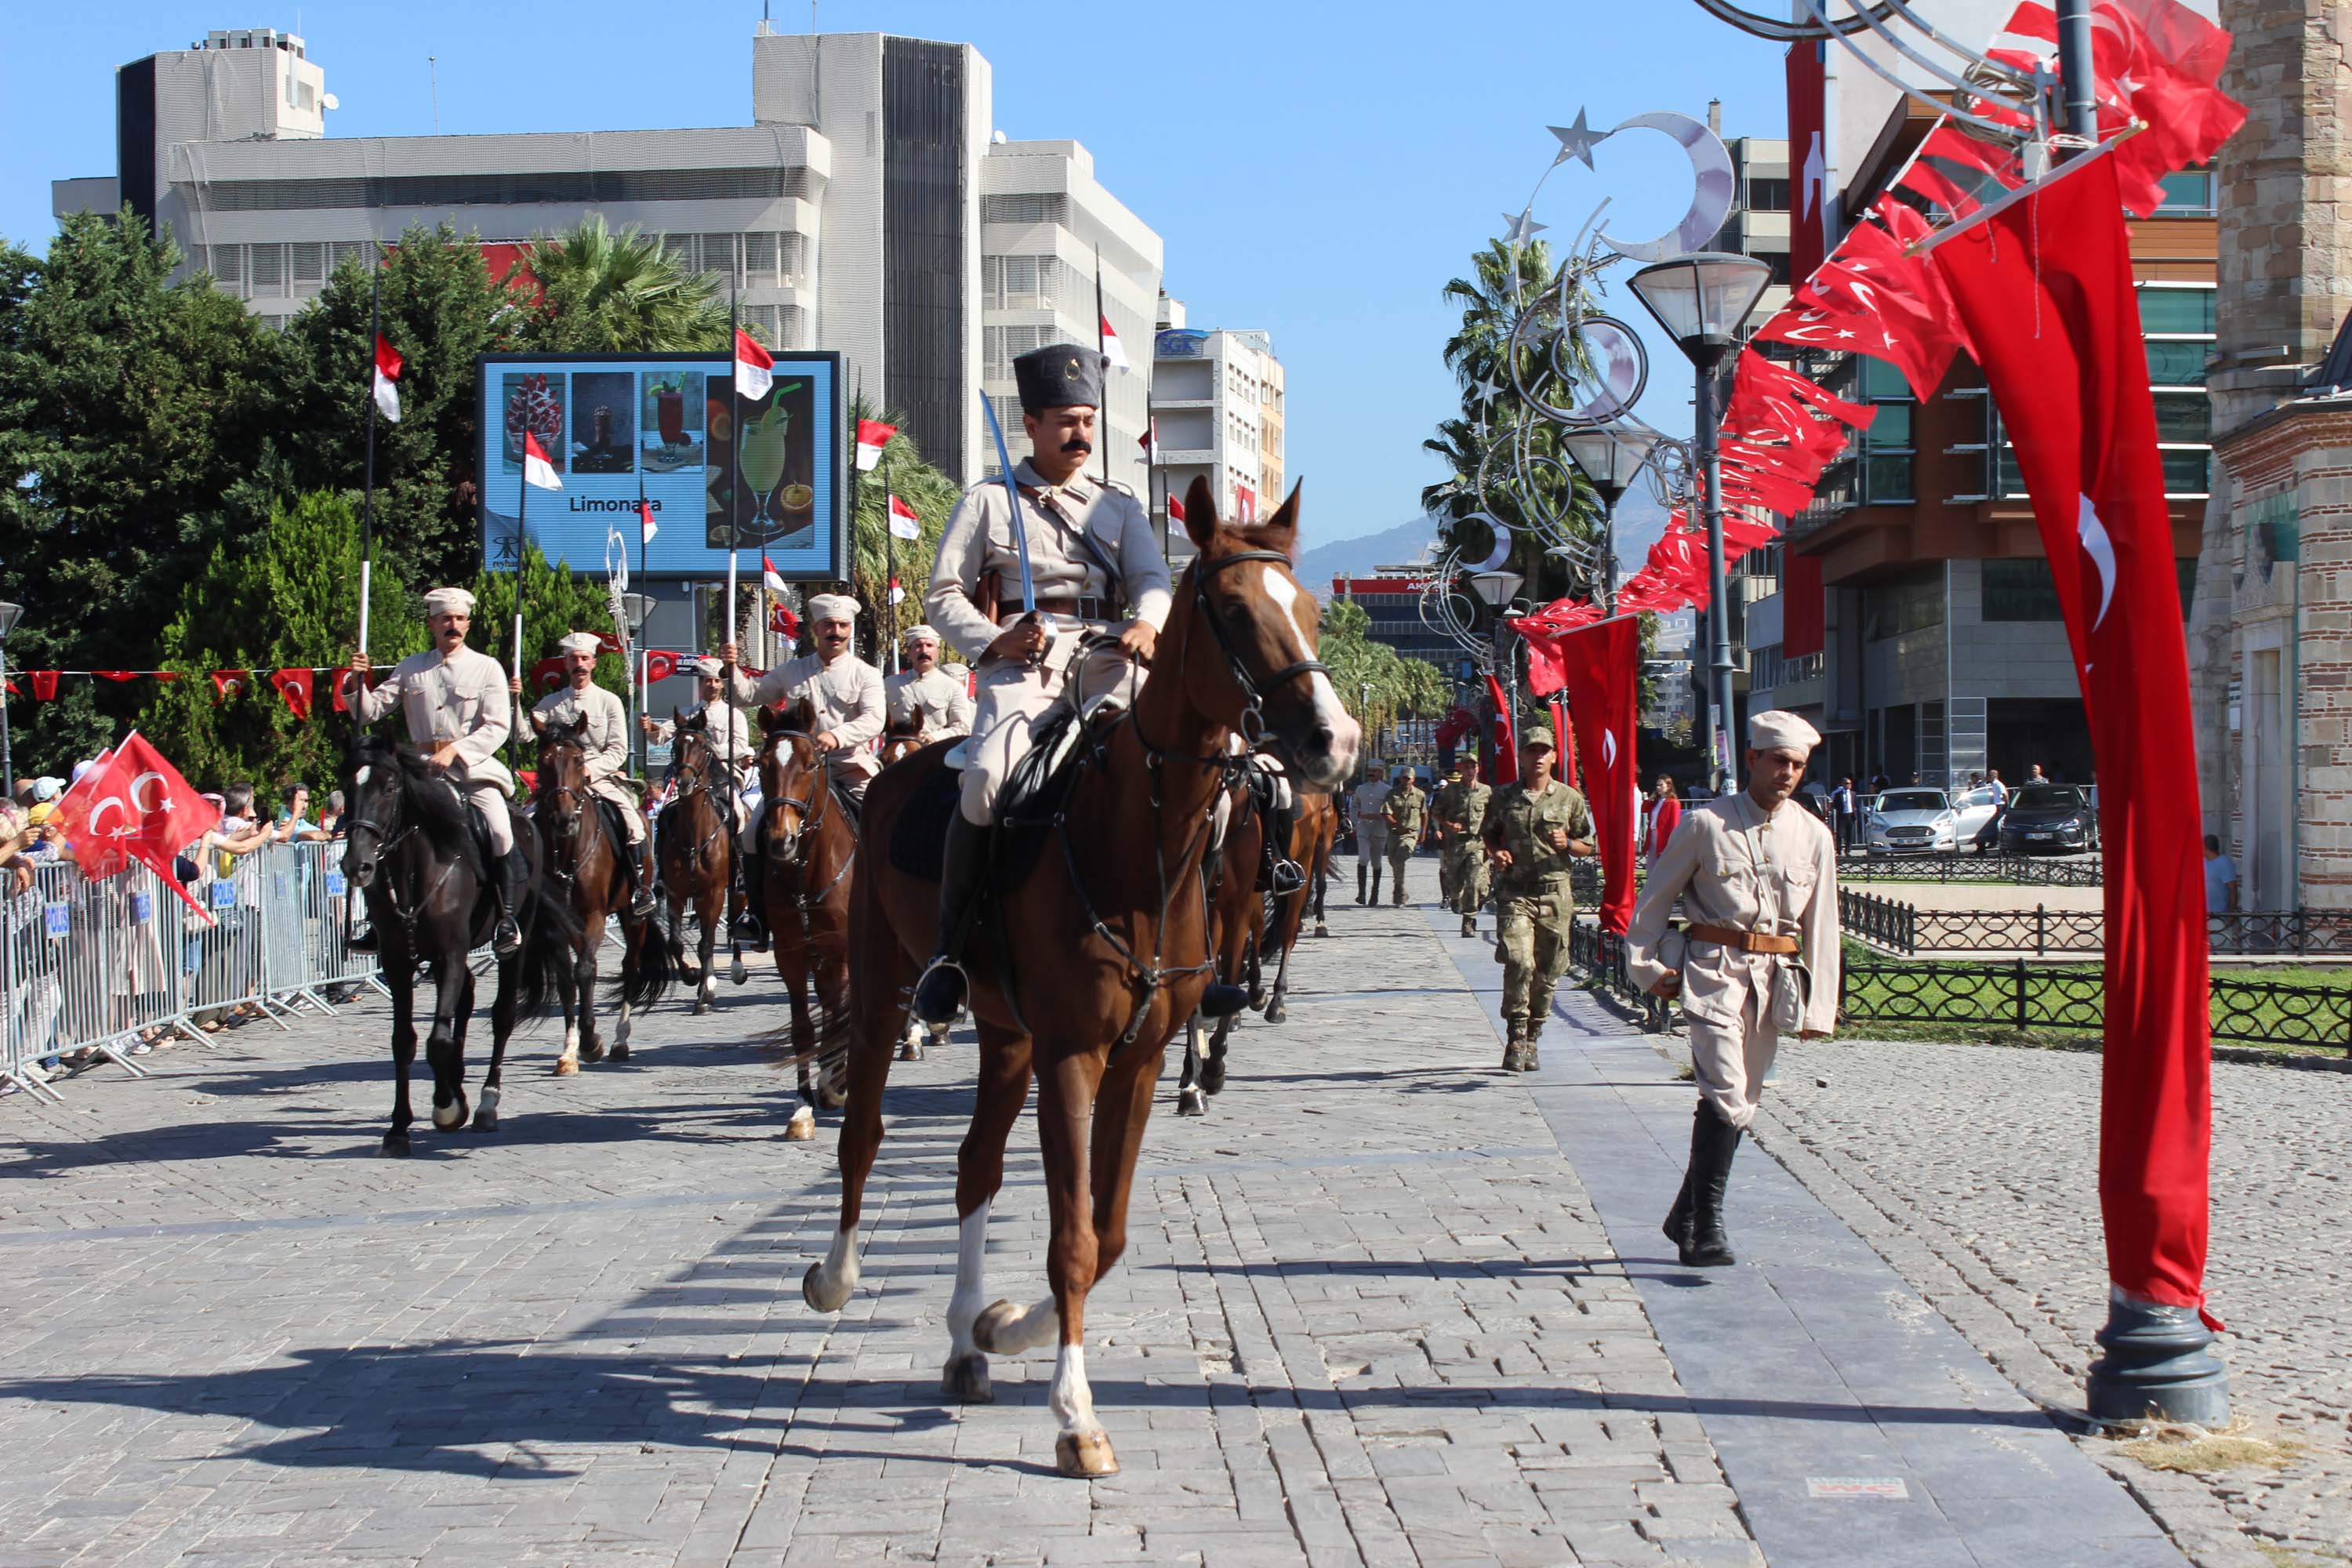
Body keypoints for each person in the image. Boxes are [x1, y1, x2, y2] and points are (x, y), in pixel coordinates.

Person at [912, 343, 1171, 1024]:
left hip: (1111, 659)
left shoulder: (1119, 507)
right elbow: (943, 595)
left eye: (1087, 419)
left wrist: (1145, 622)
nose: (1079, 433)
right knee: (988, 782)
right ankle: (952, 947)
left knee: (1190, 763)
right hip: (1025, 666)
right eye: (1064, 420)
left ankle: (1216, 939)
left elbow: (1152, 581)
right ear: (1031, 423)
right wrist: (994, 639)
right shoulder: (989, 502)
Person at [1627, 711, 1839, 1269]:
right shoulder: (1706, 825)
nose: (1787, 773)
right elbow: (1655, 901)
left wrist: (1820, 1008)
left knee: (1741, 1097)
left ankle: (1686, 1217)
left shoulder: (1814, 835)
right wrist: (1645, 967)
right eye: (1778, 762)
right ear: (1752, 760)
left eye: (1798, 765)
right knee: (1726, 1090)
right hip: (1713, 974)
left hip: (1774, 984)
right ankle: (1711, 1223)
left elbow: (1822, 925)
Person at [343, 585, 526, 955]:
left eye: (459, 619)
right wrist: (355, 682)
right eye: (445, 619)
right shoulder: (412, 667)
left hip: (472, 770)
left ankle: (505, 917)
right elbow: (370, 711)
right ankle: (378, 923)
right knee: (383, 833)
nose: (452, 625)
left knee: (500, 830)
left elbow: (497, 726)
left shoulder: (487, 667)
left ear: (468, 624)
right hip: (419, 772)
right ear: (432, 624)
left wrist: (457, 750)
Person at [517, 630, 657, 919]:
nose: (579, 664)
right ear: (566, 664)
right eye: (573, 659)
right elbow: (523, 735)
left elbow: (618, 750)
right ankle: (521, 889)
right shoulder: (552, 703)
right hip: (558, 781)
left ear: (593, 663)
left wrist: (589, 772)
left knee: (633, 823)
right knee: (524, 822)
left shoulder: (609, 701)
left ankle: (641, 888)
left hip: (599, 777)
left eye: (584, 659)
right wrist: (515, 702)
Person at [1483, 727, 1593, 1071]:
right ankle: (1515, 1034)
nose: (1539, 756)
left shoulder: (1569, 798)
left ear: (1555, 757)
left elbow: (1587, 844)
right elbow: (1490, 836)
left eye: (1545, 750)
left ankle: (1533, 1036)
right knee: (1519, 961)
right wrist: (1497, 853)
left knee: (1548, 971)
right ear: (1522, 757)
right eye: (1532, 750)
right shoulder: (1503, 797)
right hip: (1516, 893)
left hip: (1554, 895)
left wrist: (1568, 844)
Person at [643, 656, 759, 934]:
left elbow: (740, 746)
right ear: (701, 683)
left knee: (739, 815)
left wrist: (706, 749)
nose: (712, 685)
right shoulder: (687, 713)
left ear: (723, 684)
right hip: (690, 780)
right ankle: (661, 876)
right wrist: (651, 729)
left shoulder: (734, 715)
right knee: (667, 813)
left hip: (722, 777)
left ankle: (741, 873)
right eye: (708, 680)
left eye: (717, 680)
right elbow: (662, 736)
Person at [882, 623, 977, 744]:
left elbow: (962, 727)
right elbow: (877, 721)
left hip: (934, 752)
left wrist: (935, 737)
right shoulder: (890, 684)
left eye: (929, 645)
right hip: (896, 751)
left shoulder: (952, 687)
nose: (924, 651)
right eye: (918, 646)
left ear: (938, 652)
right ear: (909, 652)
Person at [1432, 756, 1493, 938]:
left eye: (1472, 766)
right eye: (1466, 767)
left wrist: (1492, 841)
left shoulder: (1486, 791)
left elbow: (1493, 817)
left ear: (1478, 769)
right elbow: (1436, 812)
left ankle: (1468, 920)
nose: (1469, 770)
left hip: (1477, 842)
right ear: (1461, 769)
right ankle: (1455, 897)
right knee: (1454, 882)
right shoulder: (1451, 791)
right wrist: (1448, 825)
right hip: (1455, 844)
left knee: (1474, 882)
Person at [1382, 765, 1428, 906]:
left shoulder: (1420, 795)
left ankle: (1398, 892)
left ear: (1413, 779)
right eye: (1404, 778)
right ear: (1400, 778)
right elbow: (1385, 813)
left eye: (1409, 778)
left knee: (1401, 855)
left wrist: (1423, 833)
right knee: (1393, 860)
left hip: (1410, 834)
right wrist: (1396, 824)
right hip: (1394, 834)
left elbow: (1424, 814)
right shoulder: (1392, 794)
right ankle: (1402, 889)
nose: (1406, 781)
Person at [1350, 761, 1392, 906]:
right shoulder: (1361, 789)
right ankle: (1361, 894)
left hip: (1379, 830)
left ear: (1381, 773)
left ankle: (1375, 894)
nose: (1371, 773)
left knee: (1376, 862)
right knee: (1363, 858)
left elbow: (1390, 811)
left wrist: (1381, 818)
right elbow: (1354, 805)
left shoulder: (1387, 790)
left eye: (1375, 771)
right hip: (1363, 829)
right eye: (1370, 771)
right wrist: (1355, 822)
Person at [1646, 775, 1683, 872]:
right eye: (1657, 785)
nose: (1658, 788)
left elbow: (1674, 824)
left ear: (1669, 786)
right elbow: (1644, 809)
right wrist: (1649, 799)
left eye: (1661, 785)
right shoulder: (1656, 802)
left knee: (1662, 866)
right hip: (1653, 835)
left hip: (1664, 837)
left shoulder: (1673, 803)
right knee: (1651, 865)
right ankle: (1652, 885)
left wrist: (1671, 842)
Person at [2203, 834, 2240, 916]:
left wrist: (2231, 915)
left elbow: (2233, 890)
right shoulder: (2203, 862)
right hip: (2204, 915)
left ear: (2206, 847)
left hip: (2219, 916)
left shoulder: (2224, 863)